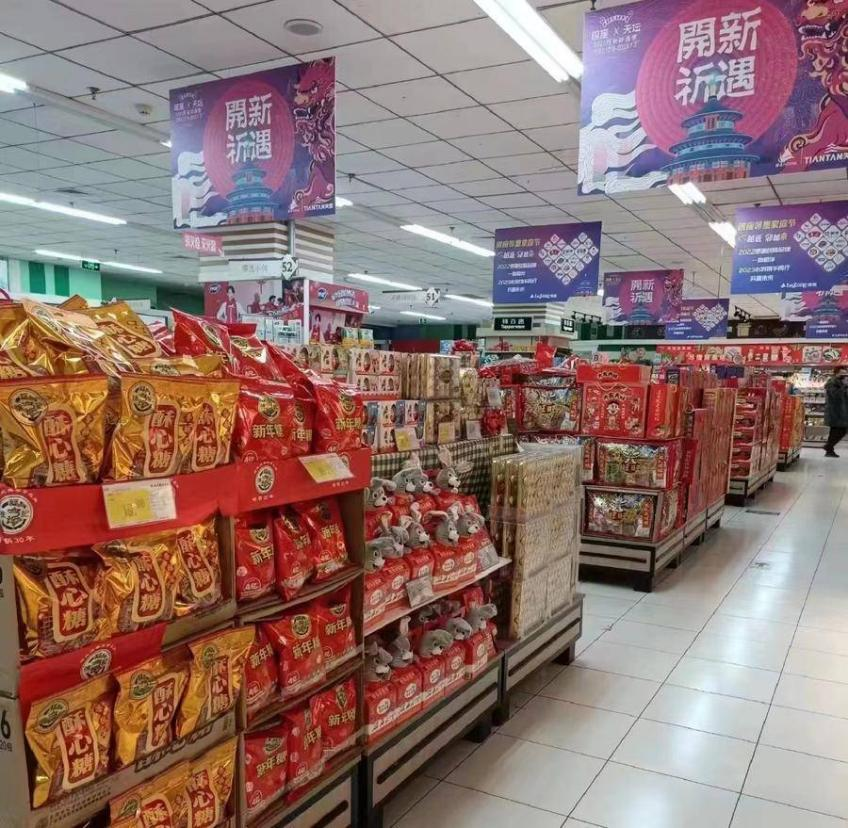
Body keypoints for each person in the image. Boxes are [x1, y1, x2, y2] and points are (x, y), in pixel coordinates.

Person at [823, 366, 848, 457]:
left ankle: (829, 450)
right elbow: (835, 395)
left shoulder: (841, 382)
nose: (844, 375)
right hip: (835, 412)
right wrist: (844, 386)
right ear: (836, 373)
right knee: (842, 430)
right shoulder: (832, 382)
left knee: (834, 431)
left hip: (840, 411)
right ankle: (828, 446)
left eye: (845, 373)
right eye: (842, 373)